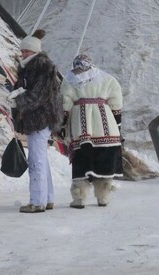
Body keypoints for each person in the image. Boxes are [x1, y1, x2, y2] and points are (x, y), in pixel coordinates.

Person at [10, 30, 63, 213]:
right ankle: (47, 198)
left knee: (36, 160)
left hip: (41, 119)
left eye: (27, 51)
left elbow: (38, 96)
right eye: (22, 50)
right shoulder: (29, 68)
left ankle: (37, 201)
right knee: (41, 159)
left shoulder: (42, 68)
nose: (23, 54)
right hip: (38, 118)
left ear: (35, 52)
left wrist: (17, 101)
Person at [61, 53, 123, 208]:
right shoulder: (107, 79)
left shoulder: (69, 80)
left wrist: (63, 125)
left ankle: (79, 197)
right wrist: (117, 124)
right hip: (105, 126)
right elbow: (116, 104)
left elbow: (64, 104)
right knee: (104, 161)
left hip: (81, 126)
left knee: (81, 161)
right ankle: (103, 197)